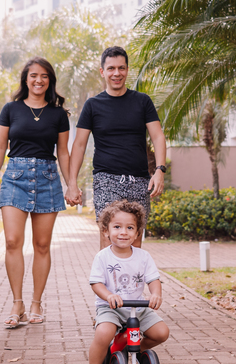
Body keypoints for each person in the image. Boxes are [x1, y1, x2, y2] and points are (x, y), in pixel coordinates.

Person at [0, 57, 71, 328]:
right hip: (15, 177)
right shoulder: (11, 109)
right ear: (26, 79)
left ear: (50, 80)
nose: (39, 80)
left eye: (44, 76)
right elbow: (0, 147)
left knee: (42, 245)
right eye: (33, 75)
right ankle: (17, 304)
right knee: (12, 241)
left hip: (47, 178)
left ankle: (36, 303)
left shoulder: (58, 114)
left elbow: (63, 152)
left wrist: (72, 183)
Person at [66, 46, 167, 248]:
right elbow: (79, 145)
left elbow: (158, 136)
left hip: (139, 181)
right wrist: (72, 183)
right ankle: (106, 281)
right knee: (108, 240)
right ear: (102, 72)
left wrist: (160, 170)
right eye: (111, 68)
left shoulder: (142, 101)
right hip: (106, 180)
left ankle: (132, 281)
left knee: (134, 241)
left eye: (121, 68)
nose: (117, 73)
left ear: (127, 70)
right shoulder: (92, 105)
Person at [80, 200, 170, 364]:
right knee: (103, 333)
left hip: (137, 308)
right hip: (110, 307)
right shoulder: (103, 257)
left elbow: (153, 280)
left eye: (130, 228)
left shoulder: (143, 256)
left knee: (162, 333)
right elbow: (96, 283)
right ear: (106, 231)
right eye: (117, 227)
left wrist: (156, 294)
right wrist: (109, 295)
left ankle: (132, 349)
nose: (123, 232)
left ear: (137, 233)